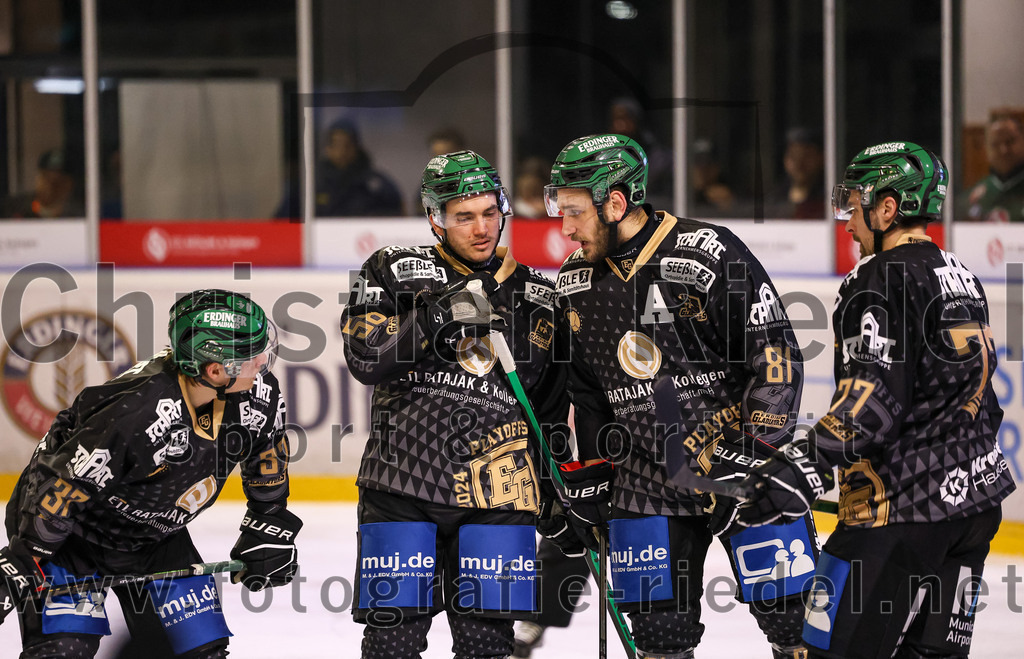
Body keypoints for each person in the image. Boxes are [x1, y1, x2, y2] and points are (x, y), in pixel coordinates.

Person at [725, 142, 1016, 658]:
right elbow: (979, 402)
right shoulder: (960, 273)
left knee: (824, 650)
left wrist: (802, 464)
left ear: (887, 207)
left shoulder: (877, 276)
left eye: (855, 204)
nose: (847, 221)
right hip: (974, 507)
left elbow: (873, 402)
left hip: (897, 513)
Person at [544, 133, 814, 659]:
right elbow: (591, 395)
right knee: (659, 641)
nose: (566, 228)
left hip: (737, 462)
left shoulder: (707, 254)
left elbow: (776, 357)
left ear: (616, 203)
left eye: (575, 212)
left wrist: (757, 455)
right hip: (647, 478)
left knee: (796, 627)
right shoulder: (573, 285)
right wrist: (595, 475)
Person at [342, 149, 568, 659]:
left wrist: (560, 493)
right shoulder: (391, 269)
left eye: (491, 212)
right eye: (464, 216)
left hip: (499, 500)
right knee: (391, 647)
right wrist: (428, 320)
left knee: (487, 649)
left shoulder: (541, 297)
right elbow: (365, 359)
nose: (482, 227)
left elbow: (550, 410)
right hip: (401, 490)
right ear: (435, 219)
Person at [0, 289, 300, 658]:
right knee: (63, 651)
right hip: (69, 536)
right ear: (216, 370)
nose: (262, 360)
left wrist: (266, 523)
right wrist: (25, 557)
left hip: (155, 539)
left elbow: (267, 453)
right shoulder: (139, 412)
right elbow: (63, 486)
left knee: (200, 651)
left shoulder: (260, 393)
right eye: (251, 353)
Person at [316, 118, 403, 217]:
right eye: (336, 144)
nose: (342, 151)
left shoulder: (376, 185)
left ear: (356, 147)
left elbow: (399, 215)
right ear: (328, 148)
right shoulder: (315, 184)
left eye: (347, 145)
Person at [964, 113, 1024, 222]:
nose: (1004, 150)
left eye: (1010, 142)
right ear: (986, 148)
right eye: (995, 144)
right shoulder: (973, 198)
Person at [2, 148, 84, 219]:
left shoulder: (77, 214)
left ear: (69, 184)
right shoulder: (16, 207)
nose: (50, 185)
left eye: (57, 181)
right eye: (45, 177)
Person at [770, 127, 826, 220]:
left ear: (821, 158)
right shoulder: (774, 198)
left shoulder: (828, 199)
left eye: (807, 156)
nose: (799, 163)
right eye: (793, 156)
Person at [690, 138, 736, 217]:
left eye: (707, 163)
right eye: (698, 163)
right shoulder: (676, 194)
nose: (703, 169)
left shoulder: (722, 194)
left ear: (716, 168)